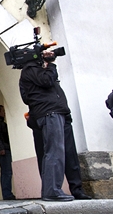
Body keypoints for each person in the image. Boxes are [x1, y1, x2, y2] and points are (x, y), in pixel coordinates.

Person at [19, 49, 74, 201]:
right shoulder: (31, 69)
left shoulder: (30, 72)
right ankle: (52, 191)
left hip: (51, 112)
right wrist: (50, 65)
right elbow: (47, 81)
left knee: (54, 151)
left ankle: (52, 190)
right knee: (54, 152)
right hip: (50, 113)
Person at [31, 114, 92, 200]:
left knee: (70, 153)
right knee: (50, 153)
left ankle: (76, 189)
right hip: (44, 112)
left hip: (62, 112)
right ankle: (51, 190)